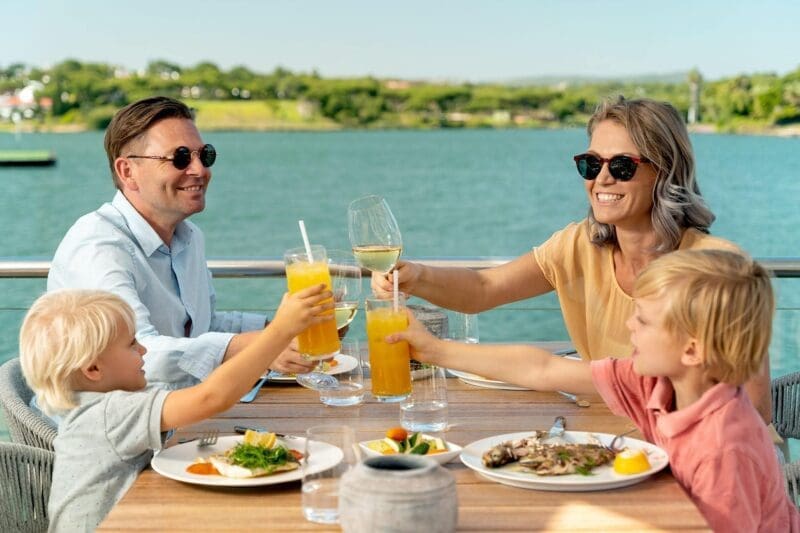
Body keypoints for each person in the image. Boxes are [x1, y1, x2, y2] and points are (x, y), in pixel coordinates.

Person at [373, 96, 772, 423]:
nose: (601, 179)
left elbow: (755, 409)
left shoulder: (716, 268)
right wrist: (416, 276)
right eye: (591, 163)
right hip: (600, 442)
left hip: (693, 456)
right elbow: (484, 288)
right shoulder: (579, 245)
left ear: (665, 172)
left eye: (621, 166)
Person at [388, 249, 798, 532]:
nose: (628, 327)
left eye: (643, 320)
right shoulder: (654, 382)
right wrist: (435, 350)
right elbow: (542, 367)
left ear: (691, 349)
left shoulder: (725, 448)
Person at [48, 96, 315, 391]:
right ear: (128, 171)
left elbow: (203, 326)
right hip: (110, 430)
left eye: (205, 155)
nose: (200, 170)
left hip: (177, 420)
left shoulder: (189, 238)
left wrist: (286, 328)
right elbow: (144, 355)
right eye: (181, 157)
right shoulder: (97, 247)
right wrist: (266, 343)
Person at [19, 285, 332, 531]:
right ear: (93, 369)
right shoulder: (108, 413)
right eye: (131, 344)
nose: (143, 350)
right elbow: (210, 398)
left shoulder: (93, 405)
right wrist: (279, 332)